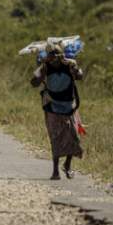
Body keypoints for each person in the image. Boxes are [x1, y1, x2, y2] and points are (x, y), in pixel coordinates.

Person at [31, 43, 83, 180]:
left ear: (61, 56)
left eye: (57, 57)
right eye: (51, 57)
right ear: (48, 57)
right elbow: (33, 83)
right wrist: (40, 75)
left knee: (73, 136)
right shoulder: (45, 67)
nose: (54, 60)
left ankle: (67, 165)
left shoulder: (69, 65)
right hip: (52, 106)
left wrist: (76, 69)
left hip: (68, 106)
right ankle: (55, 171)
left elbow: (80, 76)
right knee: (55, 137)